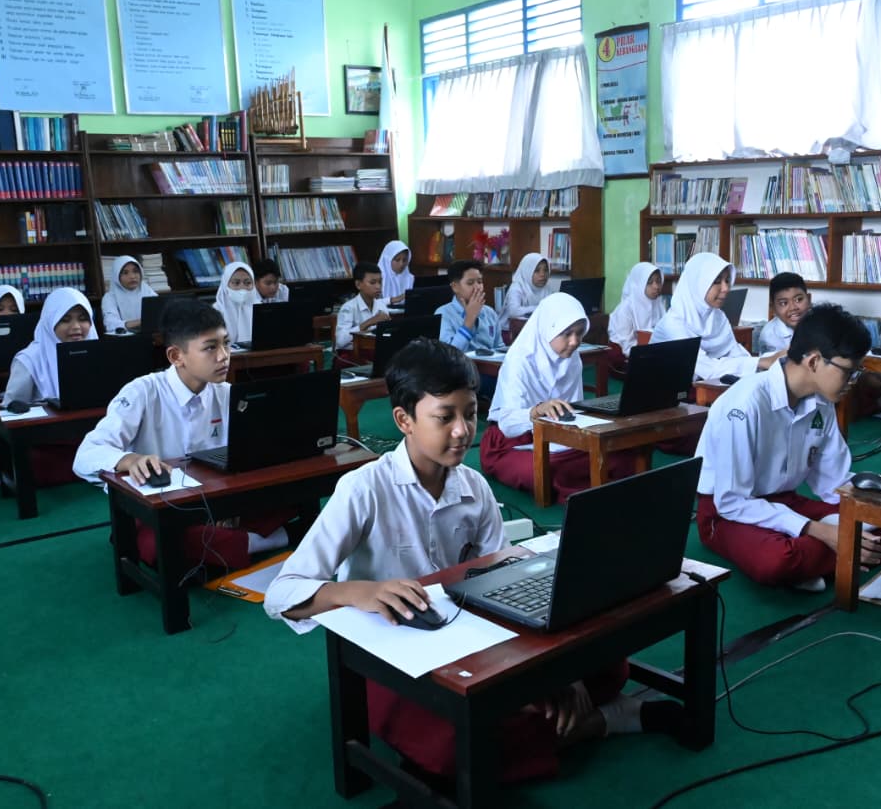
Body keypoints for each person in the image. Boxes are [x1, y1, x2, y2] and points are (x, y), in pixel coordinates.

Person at [265, 338, 679, 784]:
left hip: (469, 643)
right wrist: (359, 592)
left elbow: (506, 579)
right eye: (445, 417)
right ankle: (603, 722)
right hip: (392, 658)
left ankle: (538, 721)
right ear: (403, 420)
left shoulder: (474, 487)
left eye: (470, 413)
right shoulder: (363, 489)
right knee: (450, 749)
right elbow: (281, 594)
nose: (463, 430)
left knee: (606, 668)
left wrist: (556, 670)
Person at [696, 304, 881, 591]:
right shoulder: (745, 405)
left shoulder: (823, 402)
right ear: (814, 361)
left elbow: (834, 484)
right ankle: (833, 552)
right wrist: (820, 530)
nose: (853, 381)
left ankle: (824, 556)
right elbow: (732, 502)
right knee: (777, 561)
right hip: (725, 513)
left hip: (785, 501)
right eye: (849, 372)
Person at [74, 300, 291, 569]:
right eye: (210, 347)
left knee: (290, 495)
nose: (224, 356)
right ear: (176, 356)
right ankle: (264, 541)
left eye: (226, 343)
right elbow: (85, 455)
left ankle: (228, 541)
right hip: (162, 508)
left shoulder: (227, 394)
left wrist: (232, 504)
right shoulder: (142, 392)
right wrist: (130, 460)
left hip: (216, 501)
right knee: (163, 541)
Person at [482, 293, 634, 502]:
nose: (574, 341)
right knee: (540, 471)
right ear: (548, 328)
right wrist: (536, 411)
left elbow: (572, 411)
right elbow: (507, 423)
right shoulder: (519, 361)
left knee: (623, 456)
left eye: (579, 333)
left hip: (557, 436)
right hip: (512, 440)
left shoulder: (572, 359)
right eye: (567, 333)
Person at [651, 252, 784, 380]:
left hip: (700, 388)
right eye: (717, 281)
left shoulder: (717, 316)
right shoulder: (673, 324)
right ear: (697, 284)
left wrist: (776, 358)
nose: (726, 288)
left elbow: (736, 353)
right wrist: (761, 362)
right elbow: (708, 370)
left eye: (727, 280)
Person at [2, 287, 97, 407]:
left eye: (83, 319)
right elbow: (11, 408)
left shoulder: (98, 354)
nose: (76, 327)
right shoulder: (29, 360)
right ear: (50, 322)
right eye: (65, 320)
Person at [438, 260, 505, 353]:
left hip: (488, 362)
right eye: (470, 283)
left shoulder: (490, 313)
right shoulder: (443, 314)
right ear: (455, 287)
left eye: (480, 282)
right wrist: (469, 320)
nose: (478, 287)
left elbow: (500, 348)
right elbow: (450, 355)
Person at [606, 263, 667, 363]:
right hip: (627, 359)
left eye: (658, 281)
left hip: (652, 355)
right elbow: (626, 346)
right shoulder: (625, 309)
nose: (656, 286)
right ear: (639, 283)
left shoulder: (658, 305)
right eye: (650, 282)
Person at [334, 262, 390, 350]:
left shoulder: (381, 305)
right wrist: (369, 322)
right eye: (373, 282)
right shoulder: (348, 308)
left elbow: (386, 335)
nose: (378, 286)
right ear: (358, 285)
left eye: (380, 282)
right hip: (354, 353)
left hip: (376, 350)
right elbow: (340, 341)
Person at [755, 272, 811, 355]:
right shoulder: (770, 336)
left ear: (809, 299)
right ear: (773, 307)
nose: (793, 308)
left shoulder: (819, 322)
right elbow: (774, 362)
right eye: (783, 303)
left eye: (798, 300)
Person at [101, 255, 157, 334]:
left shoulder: (148, 291)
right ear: (117, 276)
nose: (132, 276)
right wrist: (141, 322)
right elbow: (110, 325)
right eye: (125, 273)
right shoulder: (109, 297)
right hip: (124, 339)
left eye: (135, 271)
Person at [498, 252, 552, 331]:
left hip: (533, 329)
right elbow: (513, 311)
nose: (542, 274)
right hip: (509, 331)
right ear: (527, 271)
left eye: (545, 270)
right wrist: (538, 308)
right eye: (537, 270)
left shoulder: (546, 288)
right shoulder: (516, 288)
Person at [213, 261, 256, 345]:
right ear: (225, 284)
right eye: (236, 283)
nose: (242, 287)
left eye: (248, 283)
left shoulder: (260, 308)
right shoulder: (215, 312)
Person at [377, 240, 414, 306]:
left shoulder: (409, 278)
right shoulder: (377, 278)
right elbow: (371, 304)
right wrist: (394, 299)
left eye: (405, 260)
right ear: (388, 260)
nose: (401, 264)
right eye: (397, 260)